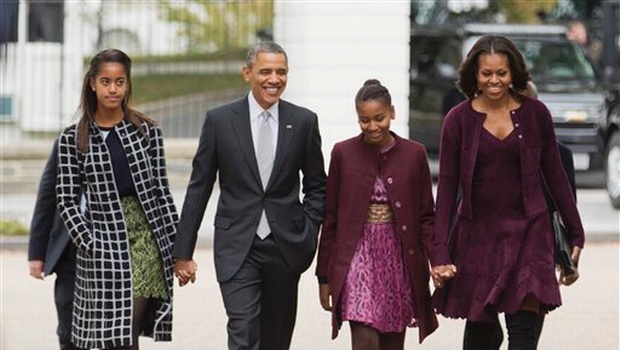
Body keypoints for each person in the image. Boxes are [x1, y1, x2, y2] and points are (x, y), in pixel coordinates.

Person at [430, 35, 585, 350]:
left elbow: (556, 177)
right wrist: (440, 253)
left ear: (513, 72)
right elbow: (446, 191)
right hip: (477, 237)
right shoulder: (456, 121)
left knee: (524, 336)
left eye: (501, 72)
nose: (494, 80)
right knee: (481, 337)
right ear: (474, 74)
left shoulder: (536, 114)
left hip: (530, 233)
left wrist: (576, 235)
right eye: (486, 73)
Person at [172, 41, 327, 350]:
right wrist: (183, 251)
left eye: (281, 72)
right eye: (265, 71)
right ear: (247, 73)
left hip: (285, 246)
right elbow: (199, 186)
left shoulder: (304, 122)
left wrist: (308, 232)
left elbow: (317, 186)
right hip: (237, 245)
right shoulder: (220, 121)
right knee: (243, 334)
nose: (274, 79)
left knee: (276, 340)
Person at [56, 48, 179, 350]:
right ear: (92, 84)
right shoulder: (73, 138)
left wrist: (180, 249)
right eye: (106, 81)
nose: (113, 89)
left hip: (145, 241)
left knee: (124, 332)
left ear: (127, 84)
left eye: (120, 82)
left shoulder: (147, 132)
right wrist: (88, 241)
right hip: (101, 243)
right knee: (108, 336)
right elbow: (66, 199)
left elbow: (161, 192)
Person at [315, 79, 438, 350]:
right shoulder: (342, 153)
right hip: (357, 256)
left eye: (379, 118)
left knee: (392, 342)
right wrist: (323, 276)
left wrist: (438, 260)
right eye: (364, 120)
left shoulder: (414, 153)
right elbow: (331, 217)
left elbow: (426, 215)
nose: (372, 126)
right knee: (364, 337)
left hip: (399, 256)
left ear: (392, 112)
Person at [28, 139, 86, 350]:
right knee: (69, 329)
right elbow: (47, 196)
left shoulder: (132, 137)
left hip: (115, 248)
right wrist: (36, 253)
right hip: (71, 248)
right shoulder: (69, 141)